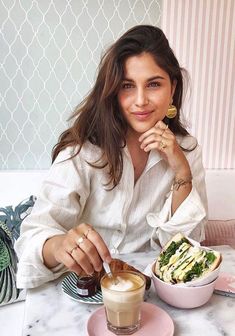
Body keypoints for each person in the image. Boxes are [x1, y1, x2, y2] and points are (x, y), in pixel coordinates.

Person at [15, 25, 207, 288]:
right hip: (81, 293)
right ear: (113, 91)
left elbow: (186, 250)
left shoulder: (187, 151)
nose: (140, 100)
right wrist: (60, 245)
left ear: (172, 88)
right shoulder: (84, 151)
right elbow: (32, 238)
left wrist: (182, 172)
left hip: (151, 295)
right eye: (127, 86)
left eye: (153, 84)